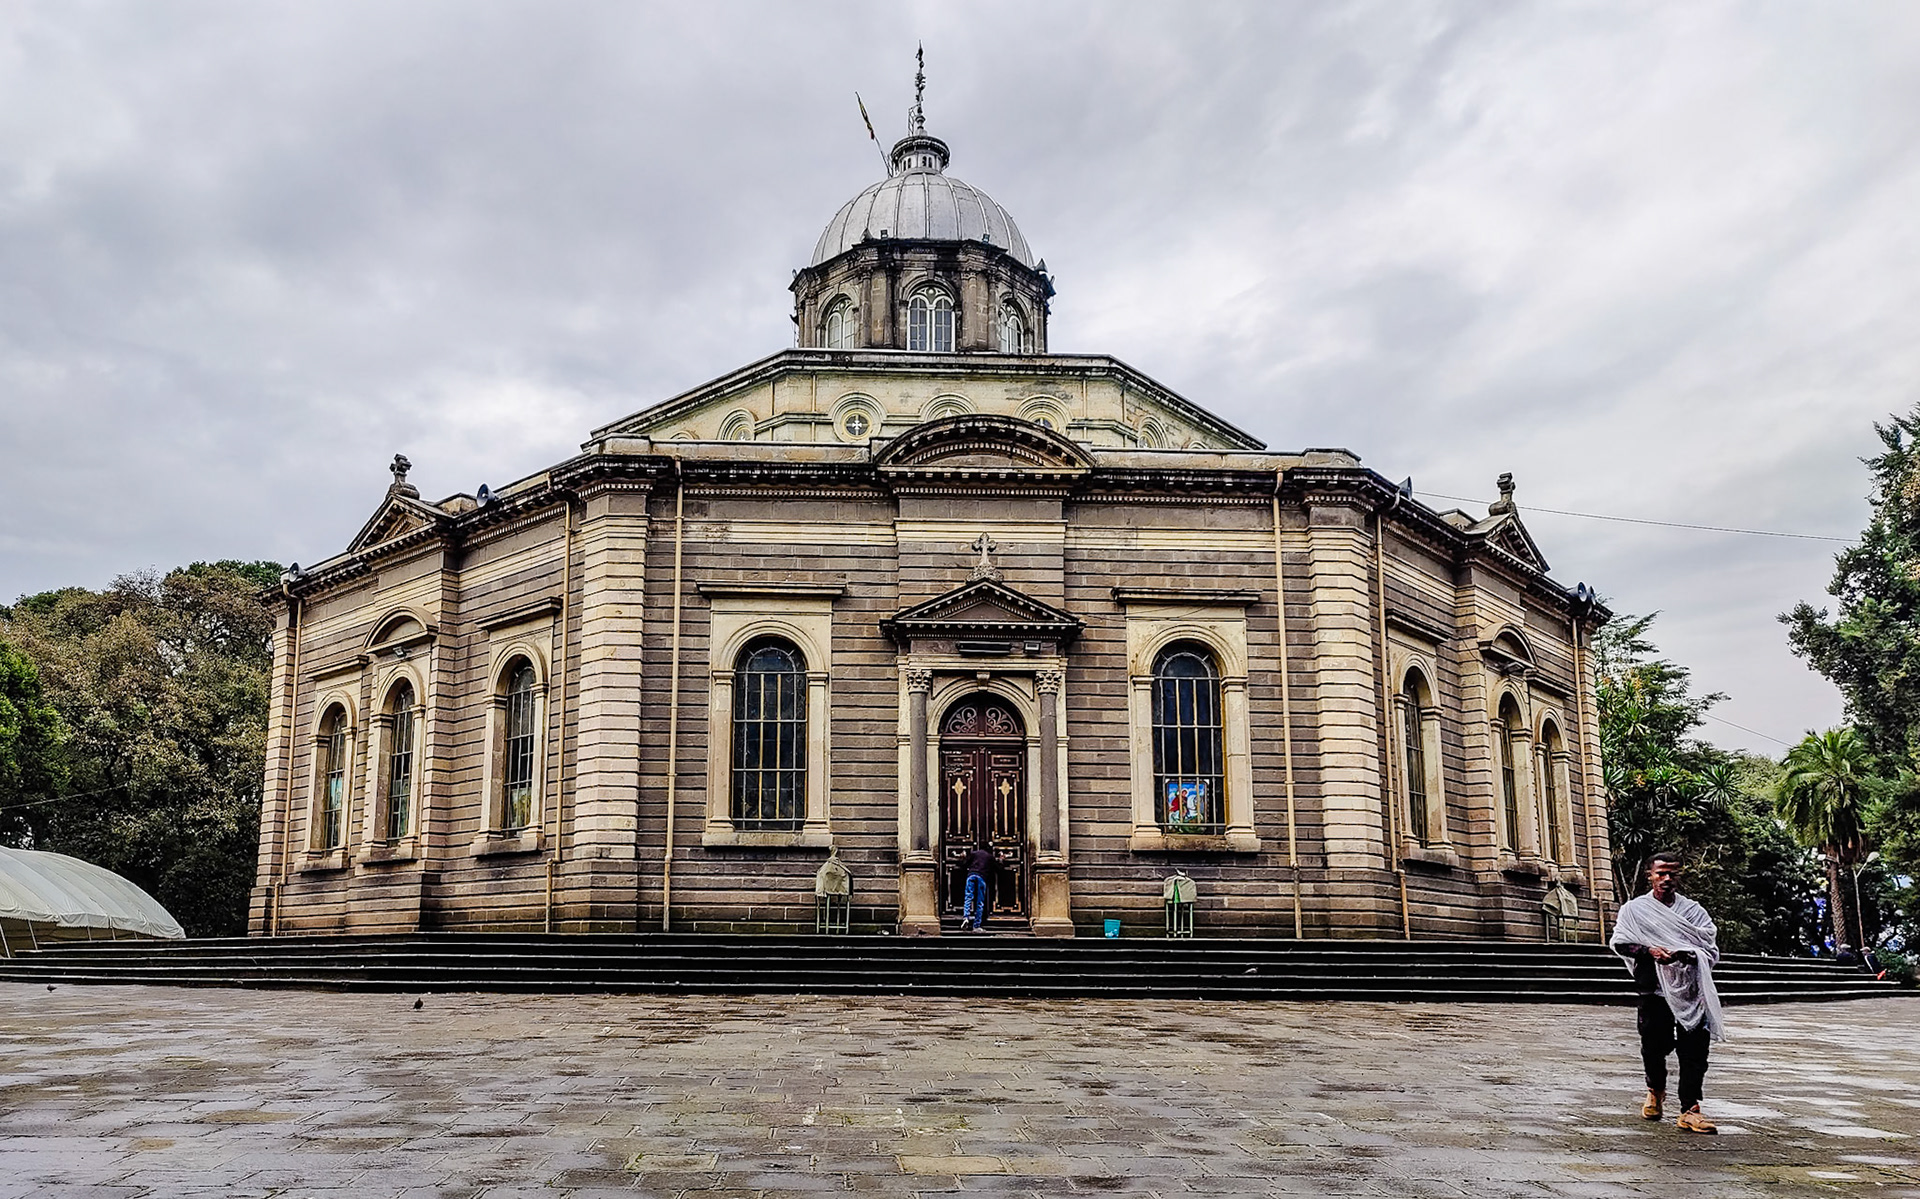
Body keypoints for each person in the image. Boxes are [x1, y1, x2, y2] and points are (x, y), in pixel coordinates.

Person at [1609, 853, 1725, 1134]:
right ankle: (1655, 1090)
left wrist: (1682, 954)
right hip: (1653, 988)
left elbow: (1709, 948)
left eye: (1672, 873)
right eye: (1661, 873)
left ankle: (1690, 1109)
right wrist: (1649, 951)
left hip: (1690, 989)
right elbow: (1620, 942)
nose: (1667, 878)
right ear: (1650, 875)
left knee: (1695, 1049)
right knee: (1653, 1044)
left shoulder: (1694, 912)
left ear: (1679, 875)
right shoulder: (1634, 910)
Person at [960, 840, 996, 932]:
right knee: (979, 902)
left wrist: (962, 858)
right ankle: (976, 925)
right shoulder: (990, 857)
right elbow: (997, 868)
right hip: (981, 877)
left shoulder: (974, 854)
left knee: (968, 897)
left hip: (971, 875)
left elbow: (964, 864)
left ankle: (966, 917)